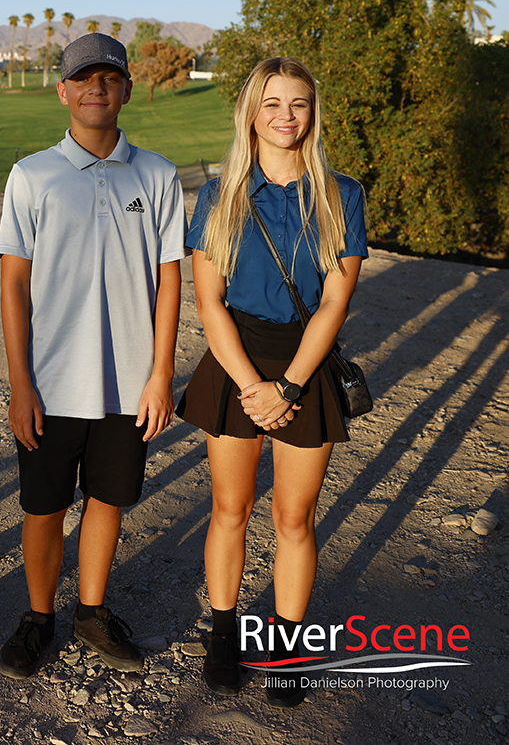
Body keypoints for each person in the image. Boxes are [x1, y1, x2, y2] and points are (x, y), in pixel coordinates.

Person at [175, 56, 367, 707]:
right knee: (229, 509)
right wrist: (251, 386)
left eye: (299, 104)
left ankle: (288, 645)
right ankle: (224, 633)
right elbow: (206, 303)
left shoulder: (342, 195)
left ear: (313, 114)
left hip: (303, 364)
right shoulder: (220, 193)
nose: (286, 116)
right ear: (251, 113)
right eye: (273, 103)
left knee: (293, 518)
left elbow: (334, 304)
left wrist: (285, 387)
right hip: (236, 358)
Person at [0, 33, 185, 679]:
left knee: (108, 500)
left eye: (108, 77)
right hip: (49, 384)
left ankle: (91, 611)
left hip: (127, 384)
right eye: (82, 78)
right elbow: (12, 284)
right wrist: (20, 385)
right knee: (43, 507)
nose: (95, 87)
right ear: (63, 92)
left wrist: (159, 375)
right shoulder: (32, 176)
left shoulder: (156, 174)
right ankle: (37, 616)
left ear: (126, 89)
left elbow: (168, 281)